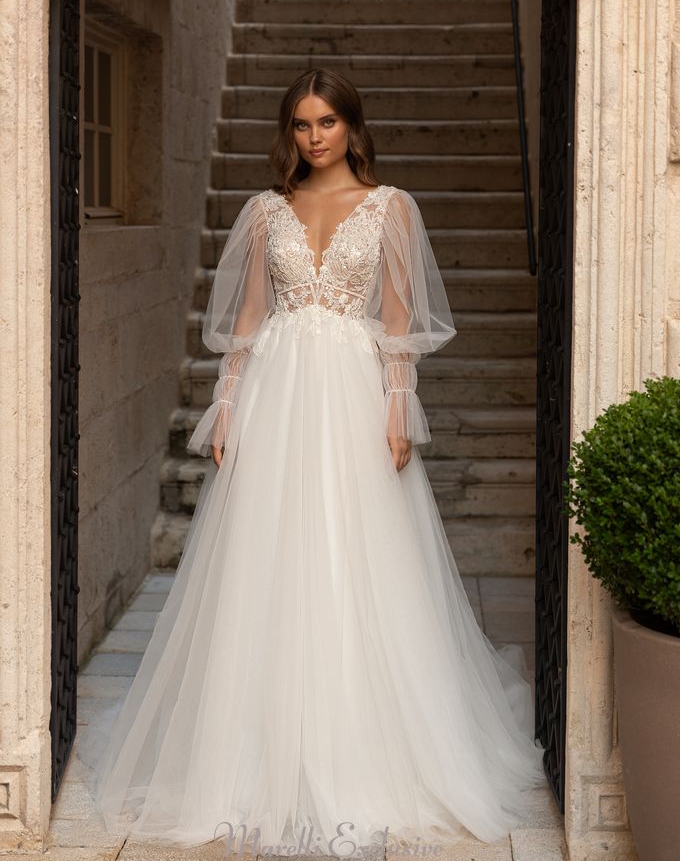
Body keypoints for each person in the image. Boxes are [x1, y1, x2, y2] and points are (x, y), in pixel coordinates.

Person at [84, 68, 546, 856]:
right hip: (277, 389)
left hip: (351, 392)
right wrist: (224, 404)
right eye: (300, 125)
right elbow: (250, 317)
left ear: (352, 127)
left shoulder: (392, 207)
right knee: (264, 562)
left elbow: (399, 318)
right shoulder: (268, 211)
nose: (313, 137)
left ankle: (363, 745)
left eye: (326, 122)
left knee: (358, 556)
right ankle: (251, 751)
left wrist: (400, 401)